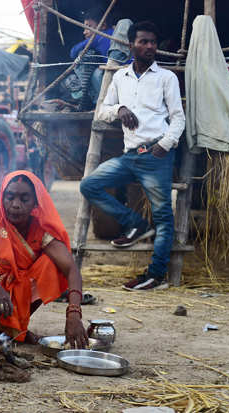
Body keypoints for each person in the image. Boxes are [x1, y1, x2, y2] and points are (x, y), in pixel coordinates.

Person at [79, 21, 186, 291]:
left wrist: (167, 142)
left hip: (156, 155)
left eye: (152, 42)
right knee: (89, 184)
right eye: (143, 41)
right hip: (130, 156)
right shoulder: (120, 77)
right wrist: (120, 109)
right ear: (131, 45)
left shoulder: (166, 78)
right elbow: (102, 110)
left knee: (163, 218)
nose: (149, 46)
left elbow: (178, 118)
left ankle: (156, 275)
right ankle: (135, 224)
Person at [0, 171, 88, 348]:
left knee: (52, 266)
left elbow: (71, 269)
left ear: (36, 202)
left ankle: (14, 329)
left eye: (24, 199)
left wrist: (73, 313)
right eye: (10, 197)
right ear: (2, 197)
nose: (15, 205)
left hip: (12, 300)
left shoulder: (40, 231)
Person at [62, 7, 133, 110]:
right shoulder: (113, 32)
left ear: (102, 26)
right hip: (128, 70)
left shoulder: (98, 37)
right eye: (84, 27)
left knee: (91, 69)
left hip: (118, 72)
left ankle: (100, 103)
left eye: (88, 27)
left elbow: (73, 52)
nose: (84, 32)